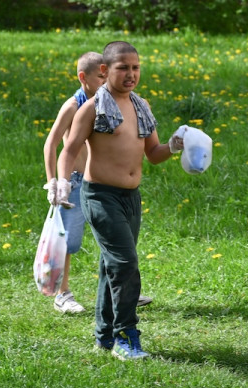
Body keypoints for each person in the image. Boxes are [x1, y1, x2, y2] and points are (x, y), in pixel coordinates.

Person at [49, 41, 183, 360]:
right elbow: (68, 149)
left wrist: (175, 146)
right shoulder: (92, 107)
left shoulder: (141, 106)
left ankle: (104, 337)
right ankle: (126, 336)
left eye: (136, 67)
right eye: (123, 67)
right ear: (106, 70)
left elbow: (153, 154)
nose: (131, 74)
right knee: (125, 263)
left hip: (130, 198)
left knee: (112, 265)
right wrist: (62, 183)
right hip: (100, 196)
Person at [43, 52, 153, 314]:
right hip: (76, 182)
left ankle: (121, 290)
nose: (106, 82)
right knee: (67, 238)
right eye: (100, 77)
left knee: (115, 240)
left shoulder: (112, 102)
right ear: (84, 78)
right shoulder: (75, 105)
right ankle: (62, 294)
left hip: (104, 184)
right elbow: (53, 143)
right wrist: (54, 181)